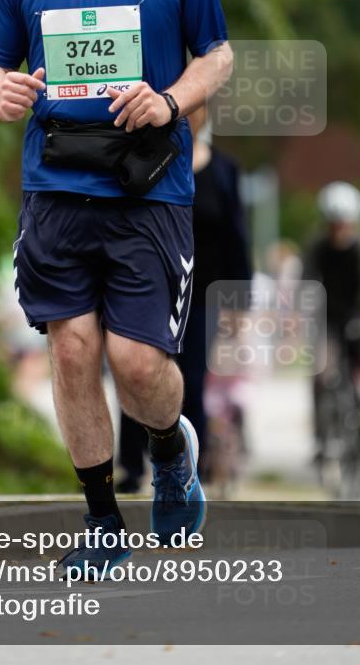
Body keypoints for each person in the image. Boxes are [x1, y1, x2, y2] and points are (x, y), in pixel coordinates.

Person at [0, 0, 233, 577]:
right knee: (72, 351)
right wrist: (0, 91)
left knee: (138, 361)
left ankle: (168, 448)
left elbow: (215, 54)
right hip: (54, 188)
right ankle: (98, 521)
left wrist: (168, 100)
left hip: (147, 190)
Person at [118, 106, 252, 492]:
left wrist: (238, 302)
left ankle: (191, 464)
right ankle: (131, 464)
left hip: (204, 294)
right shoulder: (148, 158)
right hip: (150, 287)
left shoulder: (224, 170)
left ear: (206, 115)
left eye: (197, 110)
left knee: (191, 377)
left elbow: (236, 239)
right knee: (137, 372)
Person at [302, 182, 360, 463]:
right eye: (334, 224)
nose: (339, 230)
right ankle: (321, 440)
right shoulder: (317, 246)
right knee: (320, 375)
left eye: (344, 224)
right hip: (328, 319)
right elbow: (307, 282)